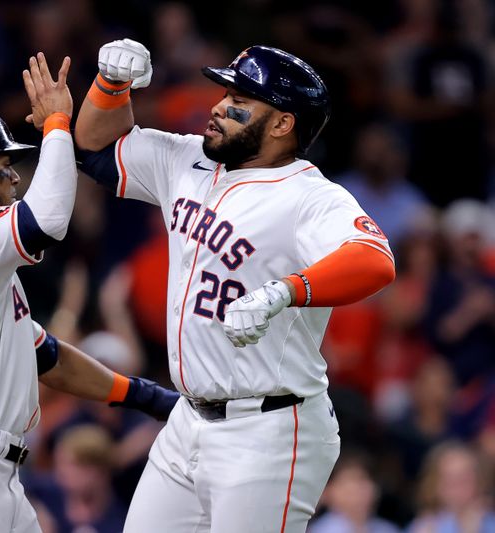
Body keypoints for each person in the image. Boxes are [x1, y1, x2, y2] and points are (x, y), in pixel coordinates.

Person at [73, 39, 396, 532]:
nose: (219, 105)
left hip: (268, 428)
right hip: (187, 421)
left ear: (283, 123)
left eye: (240, 101)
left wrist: (284, 290)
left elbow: (375, 261)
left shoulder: (311, 197)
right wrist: (111, 86)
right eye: (224, 93)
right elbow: (92, 147)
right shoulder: (187, 160)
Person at [0, 53, 178, 532]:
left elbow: (46, 357)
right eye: (5, 165)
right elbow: (49, 219)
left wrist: (153, 399)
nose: (15, 176)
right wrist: (58, 123)